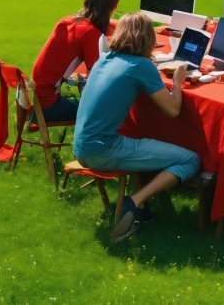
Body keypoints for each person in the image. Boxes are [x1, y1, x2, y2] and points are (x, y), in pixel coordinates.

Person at [73, 12, 201, 243]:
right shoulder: (141, 66)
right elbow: (172, 110)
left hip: (81, 147)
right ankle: (135, 202)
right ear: (148, 37)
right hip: (103, 151)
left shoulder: (105, 58)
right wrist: (179, 82)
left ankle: (140, 204)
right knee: (190, 160)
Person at [31, 0, 122, 123]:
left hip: (37, 99)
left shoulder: (69, 21)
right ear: (114, 5)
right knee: (110, 112)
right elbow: (98, 79)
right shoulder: (91, 34)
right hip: (50, 105)